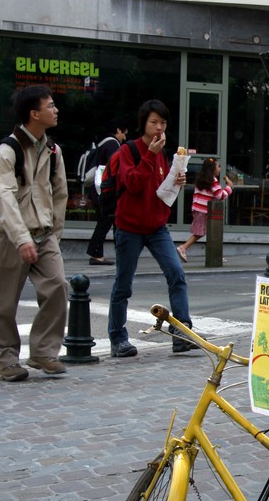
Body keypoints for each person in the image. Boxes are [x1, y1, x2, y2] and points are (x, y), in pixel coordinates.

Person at [0, 84, 69, 382]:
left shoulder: (52, 149)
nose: (55, 110)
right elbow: (4, 198)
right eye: (50, 106)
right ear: (34, 114)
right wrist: (21, 238)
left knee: (58, 286)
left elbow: (59, 194)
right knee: (4, 301)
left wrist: (54, 234)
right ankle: (7, 359)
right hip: (11, 236)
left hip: (44, 234)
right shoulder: (7, 151)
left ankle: (44, 351)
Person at [107, 99, 194, 358]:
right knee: (123, 284)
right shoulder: (128, 151)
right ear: (143, 124)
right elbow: (132, 183)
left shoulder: (164, 154)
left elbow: (160, 188)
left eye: (163, 123)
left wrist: (176, 180)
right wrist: (150, 155)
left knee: (176, 273)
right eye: (153, 122)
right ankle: (117, 338)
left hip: (157, 227)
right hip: (129, 226)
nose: (159, 127)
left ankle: (182, 332)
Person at [86, 117, 128, 266]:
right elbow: (116, 167)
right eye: (124, 133)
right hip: (107, 190)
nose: (125, 137)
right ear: (118, 130)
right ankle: (96, 253)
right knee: (106, 221)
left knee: (108, 221)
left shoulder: (104, 142)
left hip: (101, 189)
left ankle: (114, 252)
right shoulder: (112, 144)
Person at [177, 157, 233, 262]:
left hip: (197, 209)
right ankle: (183, 248)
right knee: (203, 232)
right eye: (218, 166)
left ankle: (216, 255)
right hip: (204, 211)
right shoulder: (213, 180)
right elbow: (220, 195)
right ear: (213, 168)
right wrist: (229, 187)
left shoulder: (201, 178)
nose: (220, 169)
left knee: (208, 232)